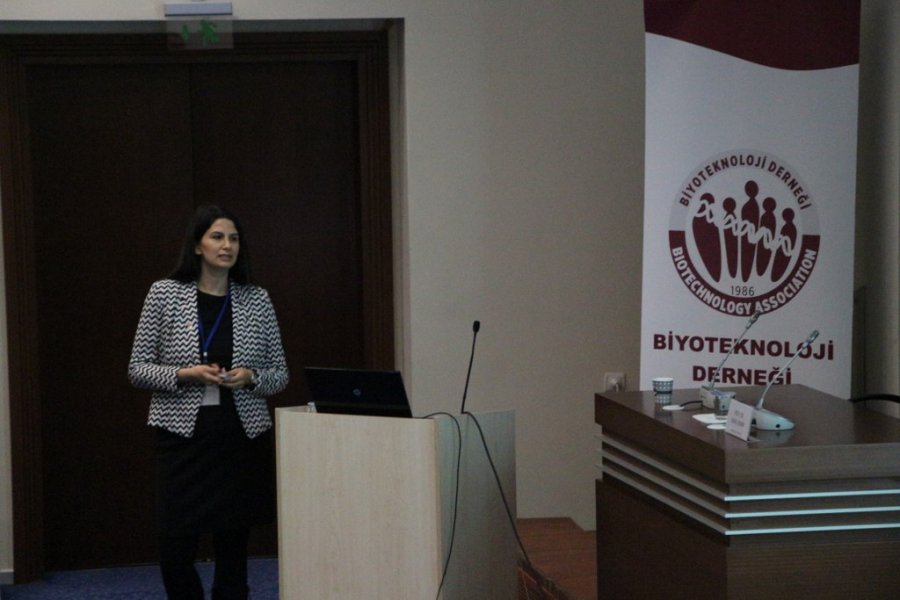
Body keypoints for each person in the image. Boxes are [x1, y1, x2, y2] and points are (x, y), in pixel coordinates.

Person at [128, 205, 289, 600]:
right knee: (176, 544)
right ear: (198, 246)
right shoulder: (164, 294)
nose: (227, 245)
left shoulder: (257, 299)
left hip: (239, 437)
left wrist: (251, 377)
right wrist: (186, 374)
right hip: (182, 439)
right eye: (217, 237)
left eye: (234, 238)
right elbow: (137, 369)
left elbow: (280, 375)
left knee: (233, 544)